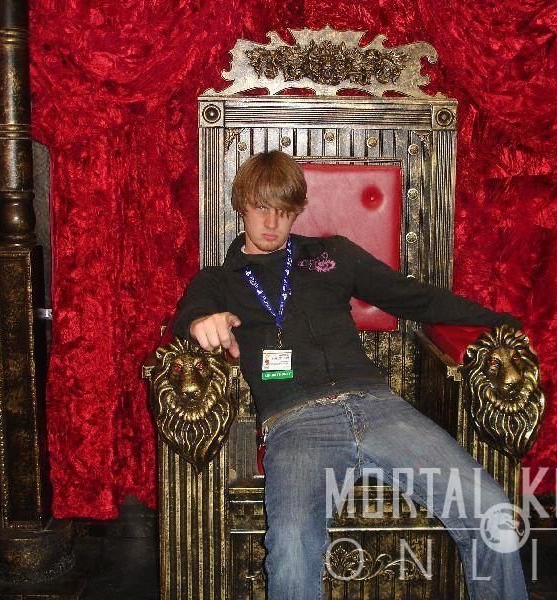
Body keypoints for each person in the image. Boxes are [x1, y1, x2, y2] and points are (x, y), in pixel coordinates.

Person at [171, 150, 530, 600]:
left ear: (298, 211)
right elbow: (187, 317)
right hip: (297, 422)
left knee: (491, 509)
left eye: (284, 210)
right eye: (261, 207)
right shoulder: (218, 280)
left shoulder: (331, 255)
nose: (272, 222)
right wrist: (203, 322)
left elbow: (415, 298)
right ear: (240, 204)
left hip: (379, 408)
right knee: (292, 549)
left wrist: (500, 323)